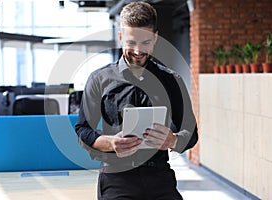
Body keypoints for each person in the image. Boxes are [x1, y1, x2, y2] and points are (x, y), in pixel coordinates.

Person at [75, 2, 198, 200]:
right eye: (131, 42)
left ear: (155, 37)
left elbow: (191, 133)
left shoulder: (172, 81)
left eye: (146, 43)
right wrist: (111, 143)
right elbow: (83, 130)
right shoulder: (99, 79)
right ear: (121, 36)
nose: (138, 51)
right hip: (116, 178)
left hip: (159, 177)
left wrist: (173, 140)